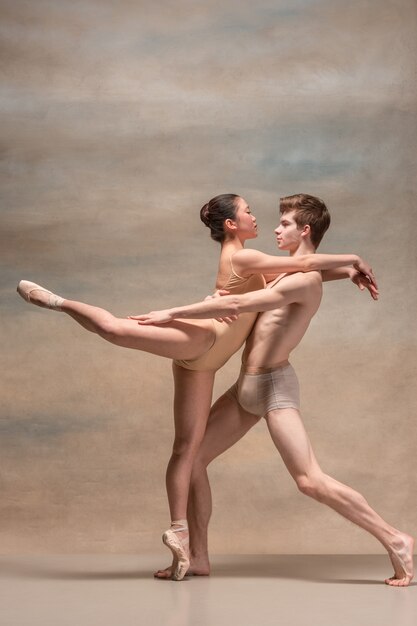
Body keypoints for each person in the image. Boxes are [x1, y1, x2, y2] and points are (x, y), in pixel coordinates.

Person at [17, 194, 376, 581]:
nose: (261, 219)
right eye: (249, 211)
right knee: (116, 330)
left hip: (210, 363)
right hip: (204, 341)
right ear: (231, 225)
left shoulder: (259, 264)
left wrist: (345, 271)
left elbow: (300, 277)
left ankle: (195, 555)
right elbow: (304, 265)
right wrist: (352, 258)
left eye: (271, 217)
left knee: (189, 453)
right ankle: (58, 301)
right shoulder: (243, 256)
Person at [137, 194, 413, 587]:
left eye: (284, 224)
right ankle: (198, 557)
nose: (275, 228)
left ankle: (396, 539)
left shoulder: (301, 279)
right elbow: (286, 276)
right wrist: (348, 269)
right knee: (193, 458)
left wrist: (172, 312)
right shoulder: (291, 274)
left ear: (304, 230)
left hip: (273, 386)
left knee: (309, 480)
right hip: (245, 387)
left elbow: (252, 297)